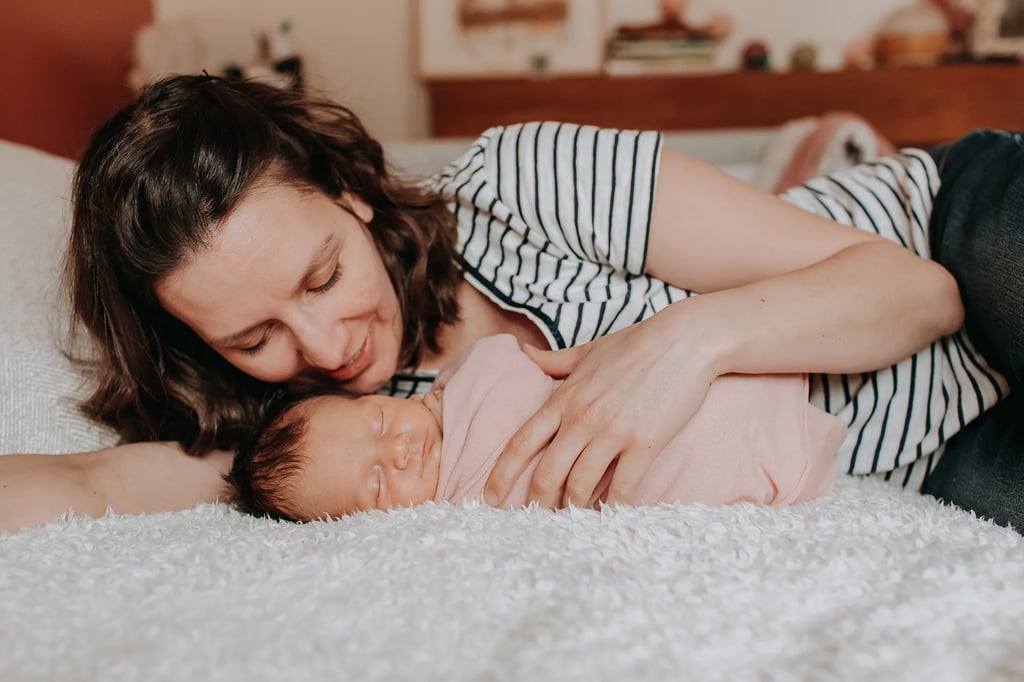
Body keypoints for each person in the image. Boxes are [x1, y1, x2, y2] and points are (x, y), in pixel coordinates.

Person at [0, 74, 1017, 534]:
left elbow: (914, 292)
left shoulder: (521, 183)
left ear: (347, 192)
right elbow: (88, 484)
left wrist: (683, 343)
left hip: (942, 234)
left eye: (319, 277)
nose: (322, 342)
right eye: (252, 335)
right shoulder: (337, 440)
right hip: (927, 454)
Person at [226, 334, 846, 521]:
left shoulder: (465, 372)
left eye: (380, 421)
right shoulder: (461, 510)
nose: (401, 449)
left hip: (721, 373)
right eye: (379, 484)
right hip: (714, 472)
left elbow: (529, 362)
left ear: (383, 395)